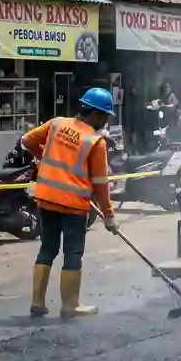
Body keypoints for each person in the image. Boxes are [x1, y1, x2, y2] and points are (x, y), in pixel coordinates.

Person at [22, 88, 118, 319]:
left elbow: (27, 140)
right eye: (105, 116)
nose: (105, 121)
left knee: (47, 249)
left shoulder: (56, 124)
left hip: (46, 198)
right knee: (72, 253)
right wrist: (109, 216)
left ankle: (37, 302)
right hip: (73, 205)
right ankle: (70, 305)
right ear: (96, 114)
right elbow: (101, 184)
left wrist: (42, 155)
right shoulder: (96, 141)